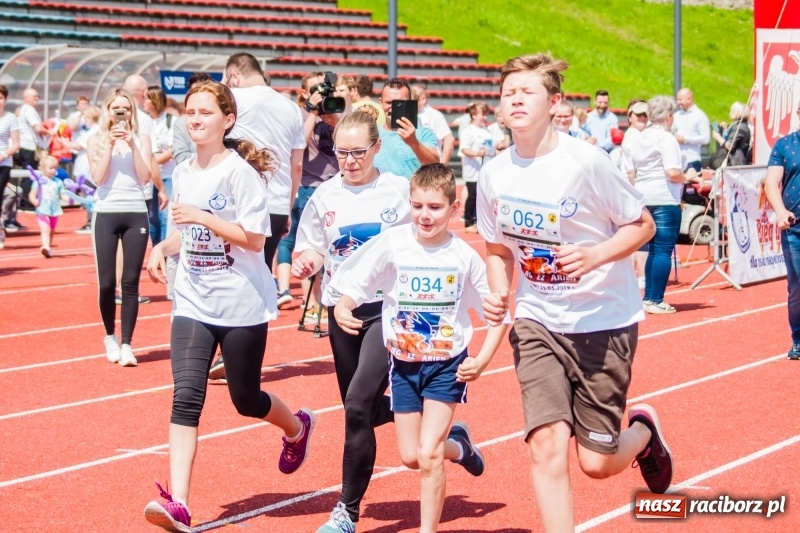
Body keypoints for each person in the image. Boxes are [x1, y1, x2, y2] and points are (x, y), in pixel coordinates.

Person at [478, 53, 672, 532]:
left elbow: (643, 225)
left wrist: (596, 255)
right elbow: (496, 248)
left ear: (555, 101)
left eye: (527, 91)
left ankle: (643, 434)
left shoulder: (586, 162)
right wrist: (499, 289)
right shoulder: (493, 174)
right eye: (508, 93)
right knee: (545, 444)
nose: (515, 99)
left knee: (597, 463)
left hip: (602, 322)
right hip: (537, 319)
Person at [143, 81, 315, 533]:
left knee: (245, 399)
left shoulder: (240, 173)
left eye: (205, 112)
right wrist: (164, 246)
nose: (195, 119)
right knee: (186, 395)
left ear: (228, 120)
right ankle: (179, 502)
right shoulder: (183, 170)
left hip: (240, 303)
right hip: (193, 300)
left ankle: (296, 427)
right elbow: (185, 230)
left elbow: (255, 240)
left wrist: (202, 218)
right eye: (190, 112)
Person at [330, 163, 508, 533]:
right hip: (404, 366)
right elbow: (359, 282)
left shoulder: (462, 257)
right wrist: (345, 306)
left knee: (428, 455)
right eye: (417, 206)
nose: (424, 215)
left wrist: (483, 359)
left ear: (454, 208)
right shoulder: (394, 243)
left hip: (446, 366)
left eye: (435, 207)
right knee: (411, 457)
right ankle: (459, 446)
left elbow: (498, 317)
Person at [291, 111, 411, 533]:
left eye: (358, 152)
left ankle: (346, 511)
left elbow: (426, 238)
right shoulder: (324, 195)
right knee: (363, 409)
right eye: (342, 152)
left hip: (387, 308)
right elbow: (313, 248)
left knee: (357, 405)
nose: (349, 161)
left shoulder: (399, 192)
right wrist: (306, 261)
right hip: (341, 309)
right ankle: (414, 407)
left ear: (377, 148)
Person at [88, 88, 152, 367]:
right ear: (108, 111)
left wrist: (133, 145)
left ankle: (127, 343)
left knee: (130, 282)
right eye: (116, 108)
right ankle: (109, 336)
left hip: (136, 212)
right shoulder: (96, 139)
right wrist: (111, 145)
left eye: (126, 108)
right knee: (106, 283)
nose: (121, 112)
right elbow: (99, 179)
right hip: (106, 212)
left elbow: (145, 176)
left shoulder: (143, 138)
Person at [223, 52, 305, 269]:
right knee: (265, 271)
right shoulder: (292, 108)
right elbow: (297, 165)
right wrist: (287, 209)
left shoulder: (233, 99)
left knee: (236, 274)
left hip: (241, 202)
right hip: (277, 203)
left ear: (234, 77)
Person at [274, 71, 343, 318]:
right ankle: (310, 303)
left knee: (335, 245)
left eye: (324, 90)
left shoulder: (336, 111)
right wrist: (313, 114)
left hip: (337, 185)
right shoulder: (299, 115)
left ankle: (326, 299)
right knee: (311, 245)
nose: (322, 95)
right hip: (309, 187)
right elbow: (298, 146)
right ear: (304, 93)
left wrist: (333, 118)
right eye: (315, 90)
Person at [624, 96, 697, 314]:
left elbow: (632, 171)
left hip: (645, 197)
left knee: (653, 249)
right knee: (663, 250)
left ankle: (649, 297)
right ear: (667, 116)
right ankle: (655, 299)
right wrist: (690, 177)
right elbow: (672, 171)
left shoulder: (638, 137)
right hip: (665, 198)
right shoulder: (666, 138)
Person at [764, 99, 800, 360]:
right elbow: (771, 183)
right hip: (794, 226)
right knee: (797, 286)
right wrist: (779, 211)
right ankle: (798, 339)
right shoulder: (784, 145)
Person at [374, 79, 439, 178]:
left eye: (399, 103)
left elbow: (435, 164)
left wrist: (414, 143)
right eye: (389, 102)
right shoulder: (371, 134)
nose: (393, 108)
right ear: (381, 102)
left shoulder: (424, 133)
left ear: (409, 103)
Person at [28, 155, 90, 257]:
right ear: (43, 168)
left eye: (55, 168)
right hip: (42, 209)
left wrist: (70, 199)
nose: (53, 170)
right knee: (45, 229)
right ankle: (45, 246)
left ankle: (48, 247)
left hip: (54, 210)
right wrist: (34, 200)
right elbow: (32, 194)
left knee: (52, 230)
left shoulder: (58, 182)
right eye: (50, 168)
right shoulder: (39, 181)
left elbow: (62, 195)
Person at [15, 88, 53, 218]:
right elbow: (37, 128)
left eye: (38, 96)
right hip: (30, 147)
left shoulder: (25, 110)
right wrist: (50, 132)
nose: (37, 98)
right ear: (27, 98)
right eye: (34, 96)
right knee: (31, 175)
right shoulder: (29, 110)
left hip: (28, 146)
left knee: (29, 174)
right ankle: (26, 202)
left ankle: (26, 200)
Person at [144, 85, 176, 246]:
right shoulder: (144, 121)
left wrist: (151, 162)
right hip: (149, 177)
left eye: (147, 98)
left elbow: (172, 150)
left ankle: (165, 252)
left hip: (167, 175)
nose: (144, 102)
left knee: (165, 216)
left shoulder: (170, 120)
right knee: (151, 217)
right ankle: (156, 248)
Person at [458, 101, 495, 233]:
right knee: (473, 196)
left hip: (485, 170)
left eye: (486, 115)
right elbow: (464, 149)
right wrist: (476, 154)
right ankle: (468, 221)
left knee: (484, 197)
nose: (485, 117)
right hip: (473, 170)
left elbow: (491, 148)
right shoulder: (468, 131)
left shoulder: (486, 130)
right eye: (482, 114)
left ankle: (480, 222)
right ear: (473, 115)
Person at [70, 105, 101, 234]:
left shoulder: (95, 130)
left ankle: (91, 222)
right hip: (83, 168)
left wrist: (63, 143)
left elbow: (78, 145)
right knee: (87, 195)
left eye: (86, 117)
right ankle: (91, 221)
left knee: (90, 195)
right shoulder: (90, 130)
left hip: (87, 169)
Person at [411, 84, 455, 164]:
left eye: (413, 100)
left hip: (432, 165)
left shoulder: (434, 115)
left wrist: (443, 165)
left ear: (423, 99)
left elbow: (449, 139)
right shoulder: (411, 114)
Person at [673, 88, 710, 173]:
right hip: (677, 160)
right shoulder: (676, 115)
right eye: (677, 100)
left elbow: (705, 138)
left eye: (680, 100)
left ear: (689, 99)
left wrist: (685, 139)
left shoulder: (700, 116)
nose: (678, 102)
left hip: (692, 159)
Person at [0, 84, 20, 242]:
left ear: (5, 100)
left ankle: (0, 229)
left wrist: (3, 154)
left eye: (0, 98)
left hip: (3, 163)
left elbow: (16, 144)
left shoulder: (11, 118)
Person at [710, 101, 751, 169]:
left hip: (734, 163)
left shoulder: (739, 128)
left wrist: (718, 138)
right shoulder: (739, 125)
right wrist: (726, 129)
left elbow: (730, 146)